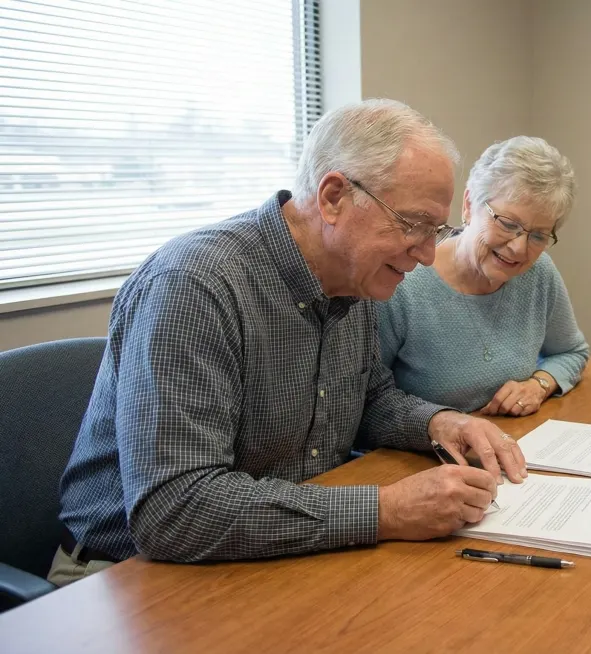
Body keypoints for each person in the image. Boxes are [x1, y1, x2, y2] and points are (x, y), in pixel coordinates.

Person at [52, 99, 529, 586]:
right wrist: (386, 510)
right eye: (413, 224)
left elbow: (368, 398)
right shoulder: (196, 285)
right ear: (334, 197)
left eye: (436, 231)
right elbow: (174, 508)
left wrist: (438, 423)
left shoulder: (355, 277)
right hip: (124, 576)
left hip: (279, 546)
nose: (428, 254)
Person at [379, 136, 589, 416]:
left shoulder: (539, 273)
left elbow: (571, 352)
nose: (519, 248)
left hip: (512, 436)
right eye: (508, 224)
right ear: (468, 205)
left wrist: (538, 385)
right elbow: (370, 399)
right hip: (424, 443)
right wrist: (439, 423)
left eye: (538, 235)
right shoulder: (404, 284)